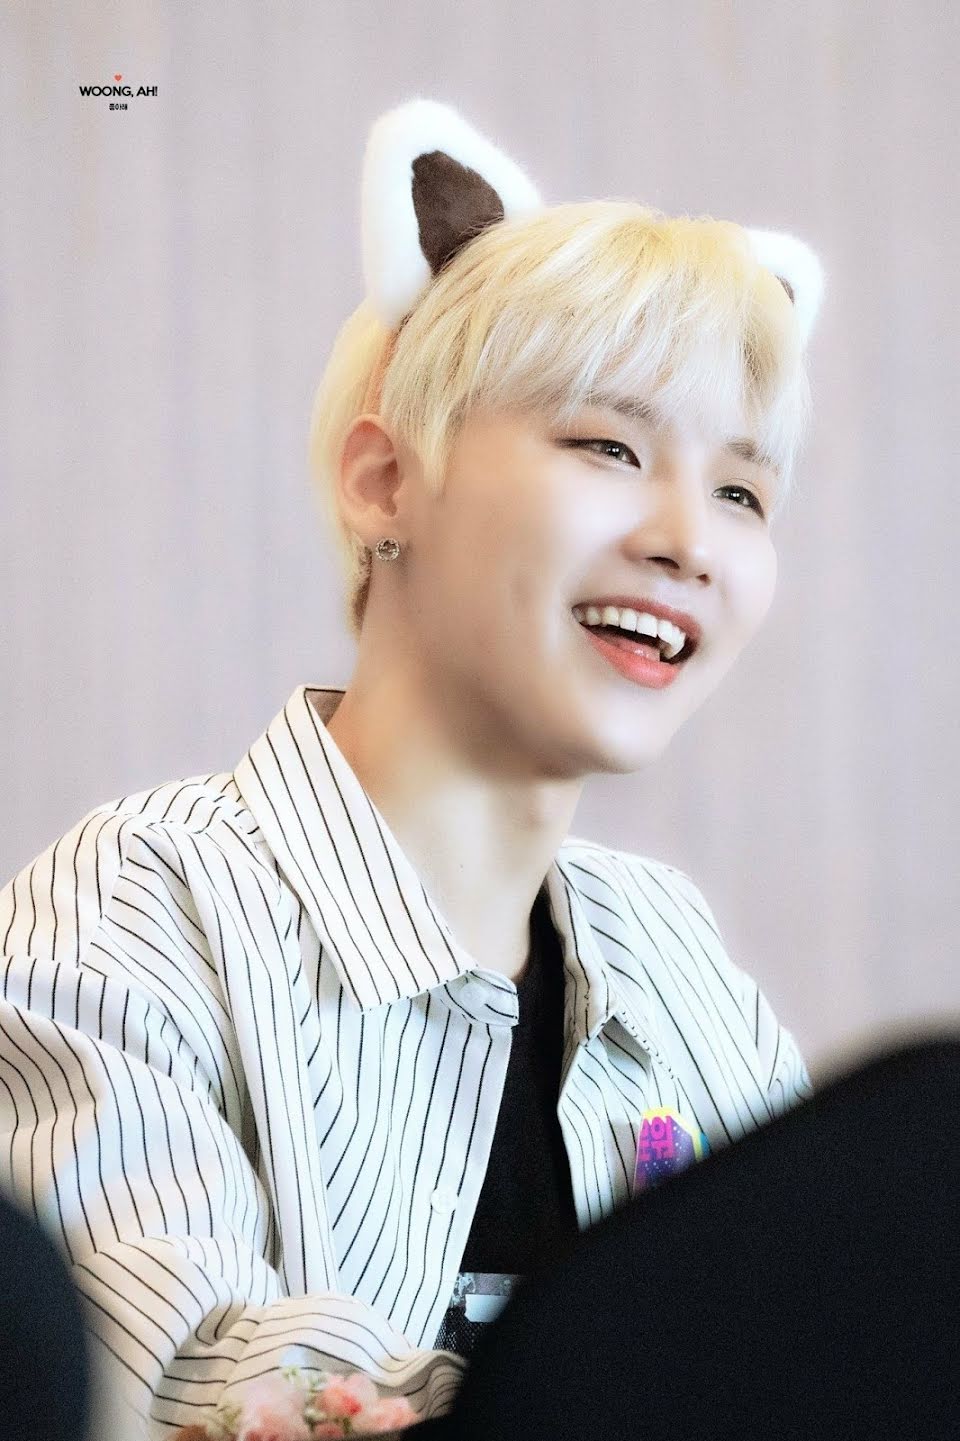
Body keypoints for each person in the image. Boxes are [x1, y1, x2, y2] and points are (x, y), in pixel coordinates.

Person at [0, 97, 824, 1438]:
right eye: (610, 447)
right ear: (385, 483)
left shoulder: (682, 965)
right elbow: (181, 1380)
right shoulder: (138, 905)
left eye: (742, 492)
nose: (691, 540)